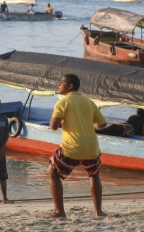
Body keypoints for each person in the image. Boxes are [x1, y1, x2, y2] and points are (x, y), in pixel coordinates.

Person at [46, 74, 107, 218]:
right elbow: (102, 124)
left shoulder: (63, 102)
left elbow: (53, 126)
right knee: (94, 174)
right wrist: (89, 125)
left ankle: (59, 211)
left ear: (70, 86)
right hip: (91, 147)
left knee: (52, 173)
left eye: (61, 82)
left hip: (72, 147)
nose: (58, 84)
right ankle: (98, 212)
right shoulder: (89, 102)